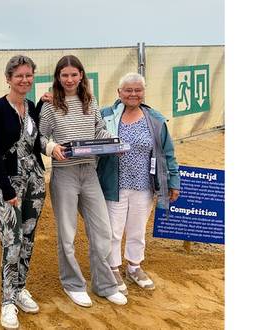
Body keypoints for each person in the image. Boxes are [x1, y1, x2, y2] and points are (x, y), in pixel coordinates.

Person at [37, 55, 127, 307]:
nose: (69, 80)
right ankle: (73, 283)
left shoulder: (90, 100)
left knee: (102, 230)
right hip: (64, 173)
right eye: (64, 75)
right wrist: (52, 147)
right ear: (58, 77)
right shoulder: (50, 104)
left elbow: (98, 130)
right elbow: (40, 137)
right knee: (67, 234)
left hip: (89, 172)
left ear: (81, 76)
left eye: (73, 75)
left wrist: (112, 141)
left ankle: (104, 284)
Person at [96, 72, 180, 294]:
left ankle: (134, 267)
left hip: (144, 185)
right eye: (128, 90)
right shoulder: (106, 116)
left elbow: (168, 154)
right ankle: (113, 268)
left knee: (137, 230)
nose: (133, 94)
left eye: (138, 90)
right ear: (119, 93)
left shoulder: (155, 120)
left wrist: (174, 181)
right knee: (113, 230)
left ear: (143, 92)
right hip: (115, 184)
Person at [0, 55, 46, 329]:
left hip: (34, 181)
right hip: (7, 184)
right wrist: (7, 190)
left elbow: (33, 143)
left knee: (29, 238)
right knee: (12, 241)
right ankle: (7, 301)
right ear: (8, 79)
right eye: (19, 76)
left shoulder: (31, 107)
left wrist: (43, 103)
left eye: (29, 75)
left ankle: (21, 288)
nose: (25, 80)